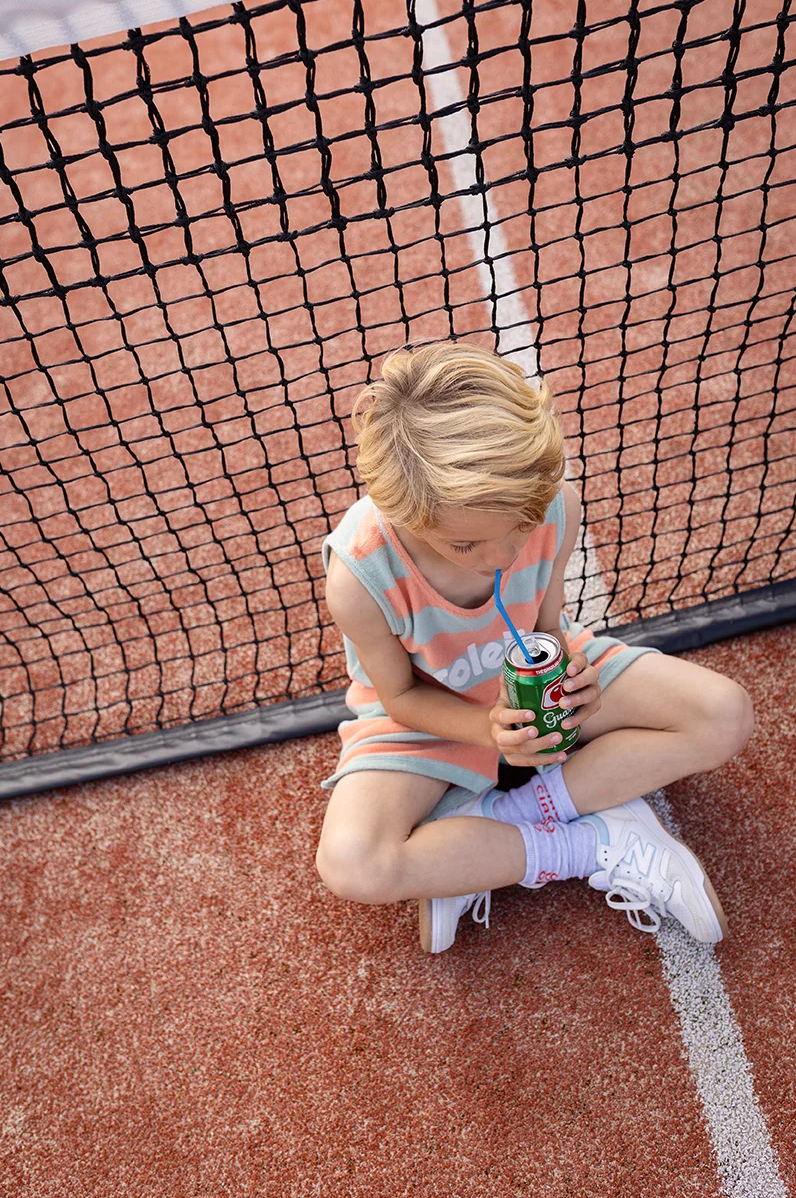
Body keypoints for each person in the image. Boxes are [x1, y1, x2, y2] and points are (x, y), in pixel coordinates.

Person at [315, 341, 754, 953]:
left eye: (518, 529)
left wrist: (574, 678)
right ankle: (588, 844)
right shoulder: (360, 577)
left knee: (724, 714)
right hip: (428, 719)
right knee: (353, 863)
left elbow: (547, 628)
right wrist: (487, 731)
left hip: (532, 692)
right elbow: (398, 697)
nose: (501, 558)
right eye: (465, 546)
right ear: (403, 513)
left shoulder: (553, 504)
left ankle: (489, 829)